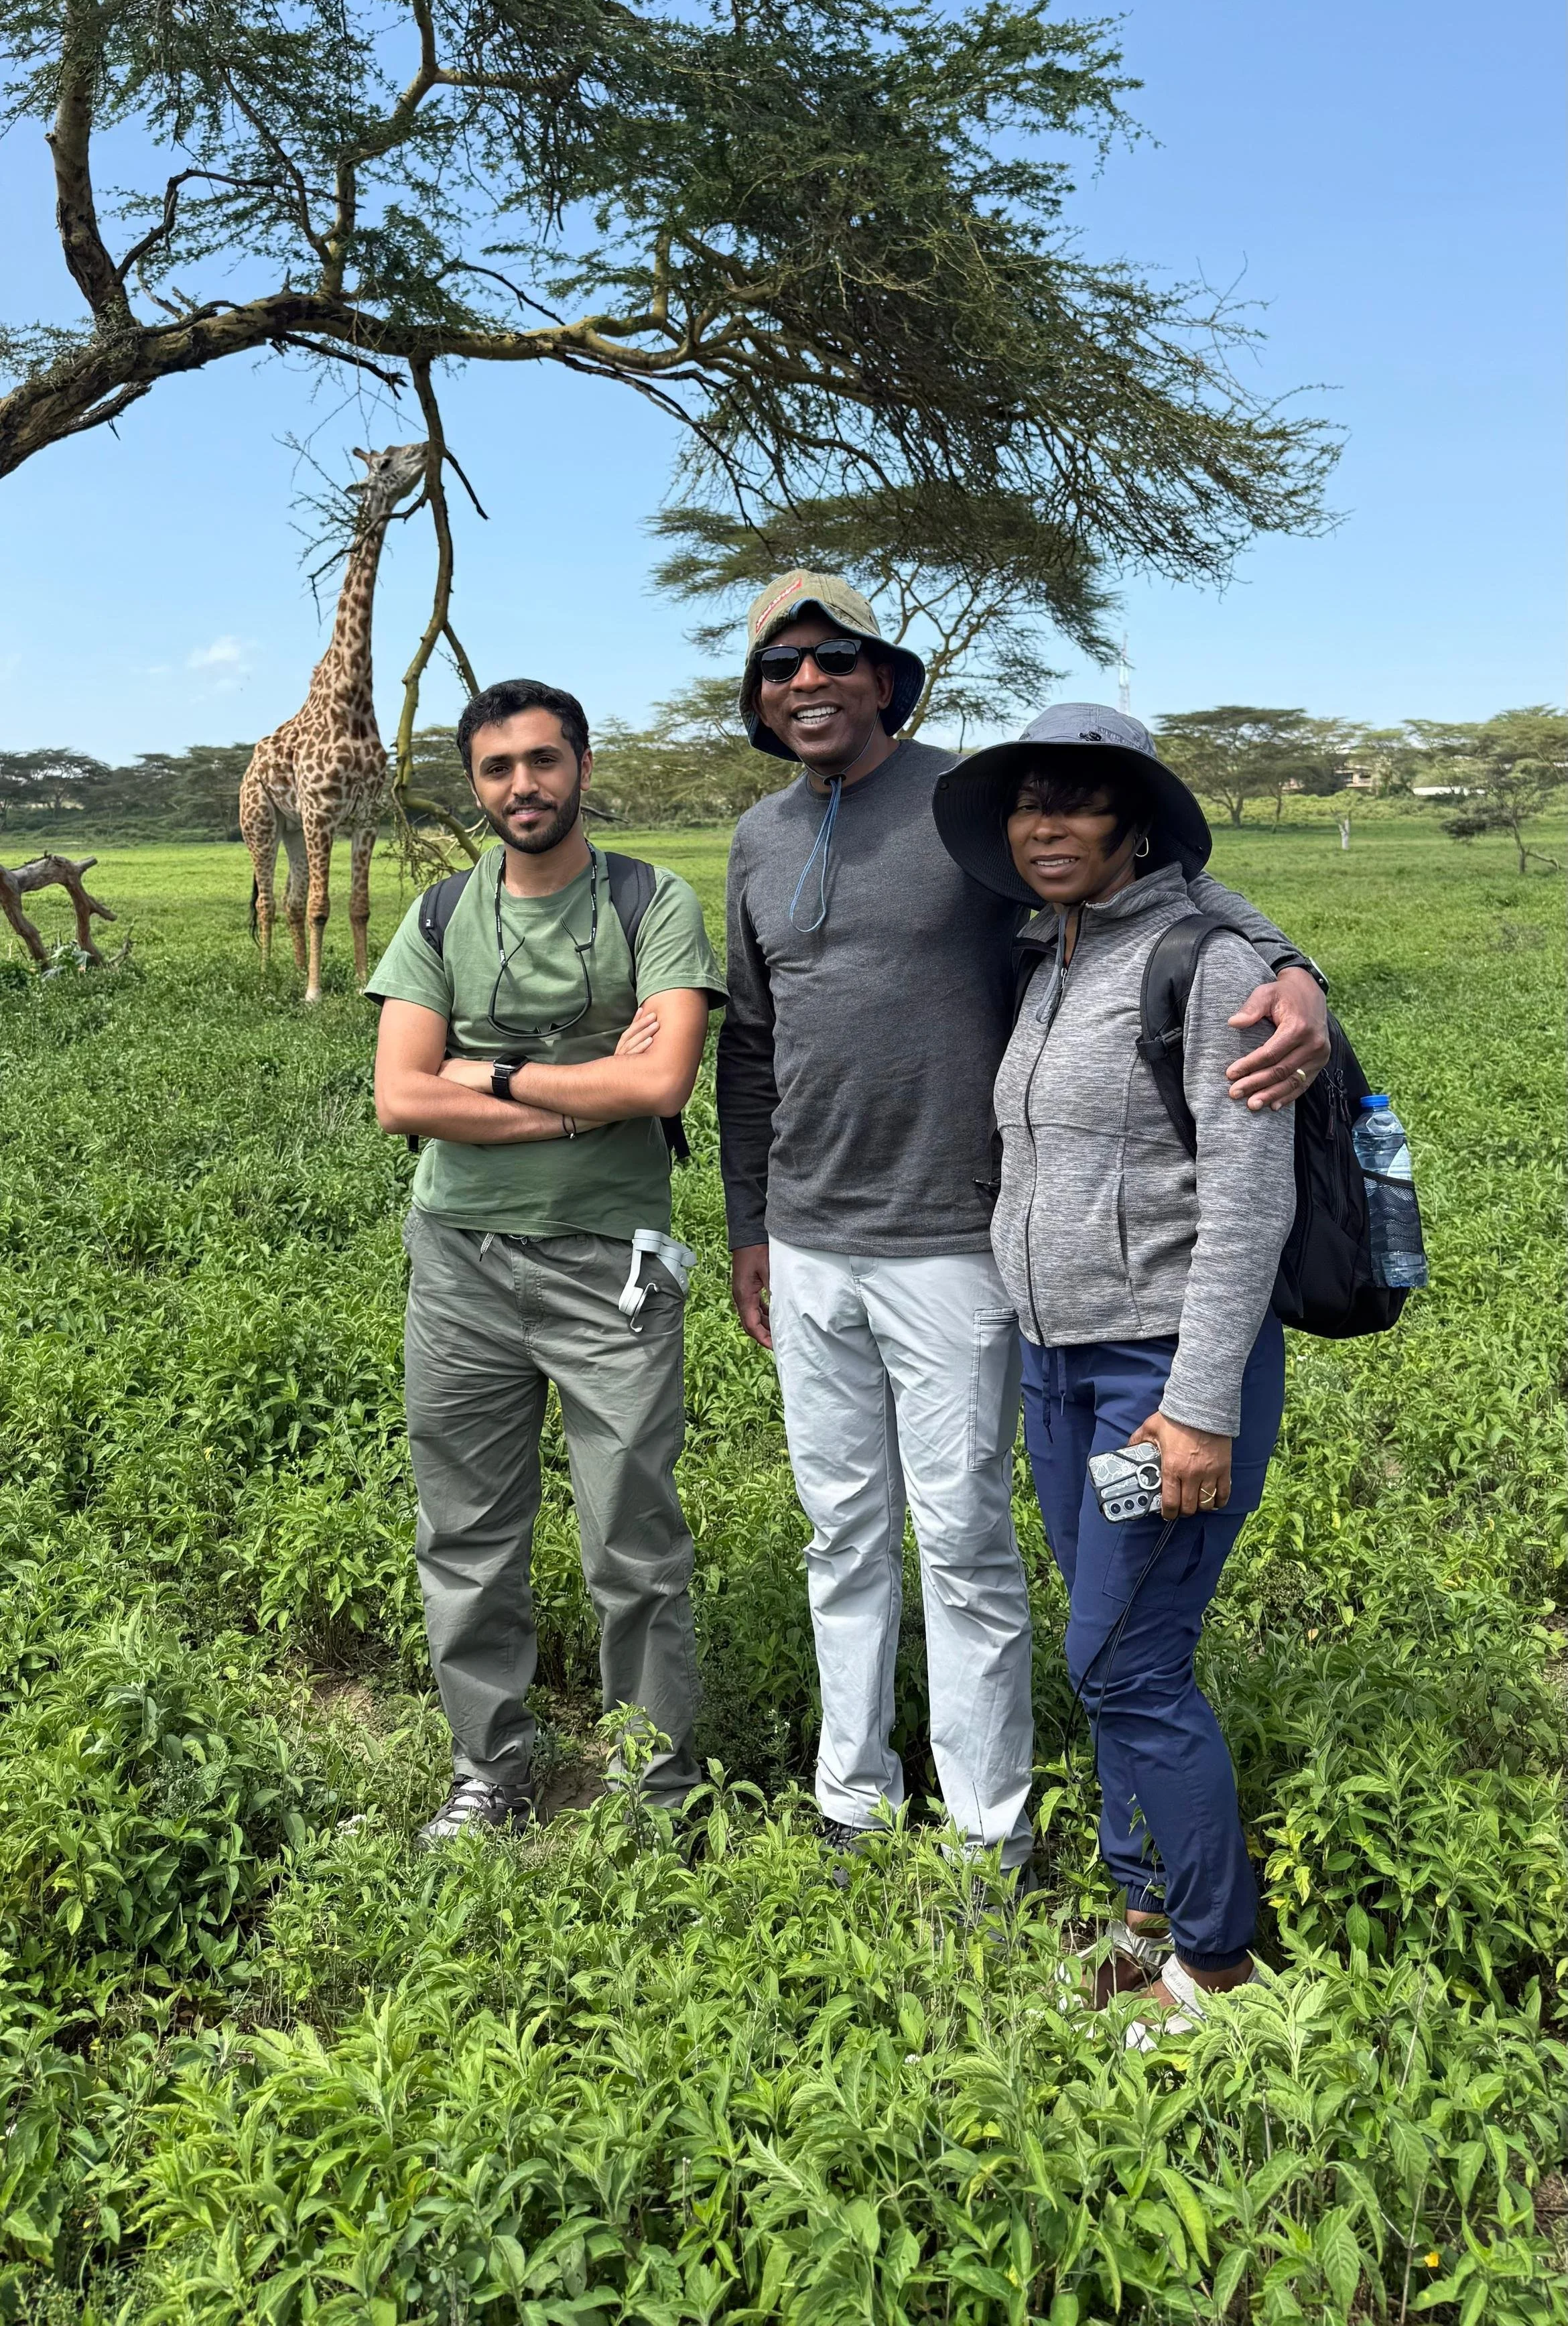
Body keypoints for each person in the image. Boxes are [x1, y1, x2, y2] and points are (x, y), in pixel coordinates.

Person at [709, 572, 1327, 1880]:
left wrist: (1292, 970)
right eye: (781, 668)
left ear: (885, 677)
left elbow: (1164, 895)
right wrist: (748, 1221)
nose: (808, 683)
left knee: (966, 1539)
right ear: (761, 701)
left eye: (834, 659)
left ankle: (987, 1826)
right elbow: (750, 1043)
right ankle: (851, 1789)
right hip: (810, 1239)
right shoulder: (758, 840)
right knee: (841, 1529)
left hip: (954, 1242)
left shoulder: (972, 810)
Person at [931, 706, 1299, 2024]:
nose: (1047, 823)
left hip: (1163, 1374)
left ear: (1136, 824)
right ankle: (1145, 1911)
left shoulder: (1206, 965)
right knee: (1113, 1654)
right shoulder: (1053, 959)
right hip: (1059, 1365)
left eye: (1081, 801)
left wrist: (1198, 1409)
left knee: (1129, 1661)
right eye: (1032, 801)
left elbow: (1249, 1203)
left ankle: (1219, 1961)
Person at [368, 677, 725, 1843]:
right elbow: (399, 1098)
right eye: (496, 769)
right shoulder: (435, 918)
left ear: (581, 765)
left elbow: (660, 1083)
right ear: (475, 786)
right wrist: (584, 1102)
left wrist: (497, 1076)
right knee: (466, 1531)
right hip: (459, 1262)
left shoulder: (653, 900)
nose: (523, 786)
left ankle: (652, 1787)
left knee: (632, 1532)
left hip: (609, 1265)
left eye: (543, 761)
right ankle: (491, 1767)